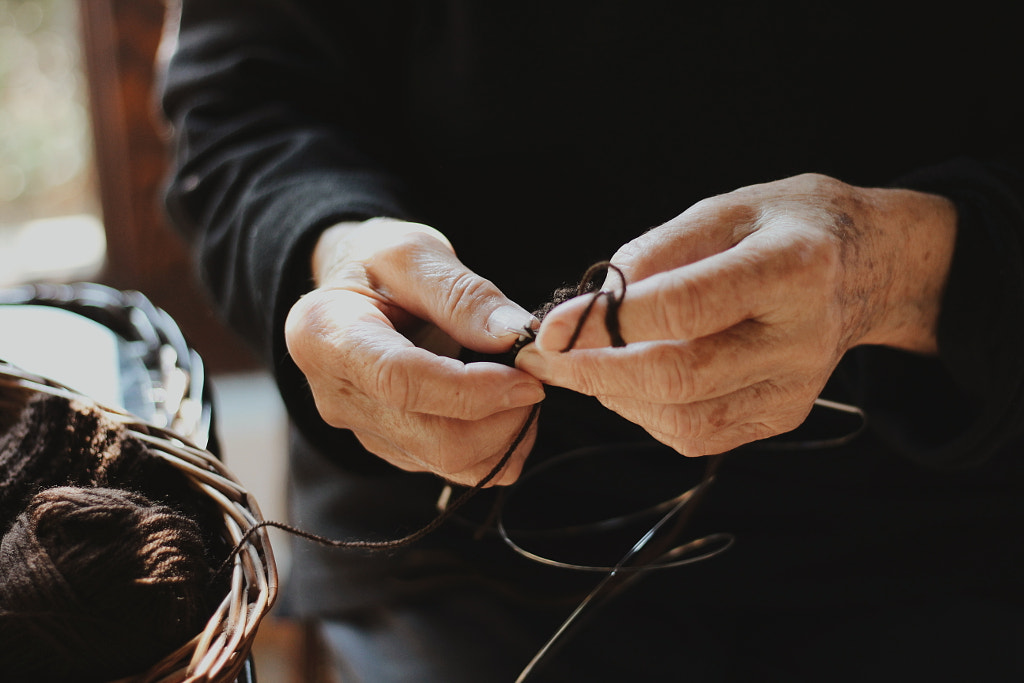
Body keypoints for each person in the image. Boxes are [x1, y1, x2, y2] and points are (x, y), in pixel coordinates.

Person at [161, 2, 1024, 680]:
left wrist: (914, 271)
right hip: (461, 516)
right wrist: (332, 246)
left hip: (949, 502)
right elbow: (243, 103)